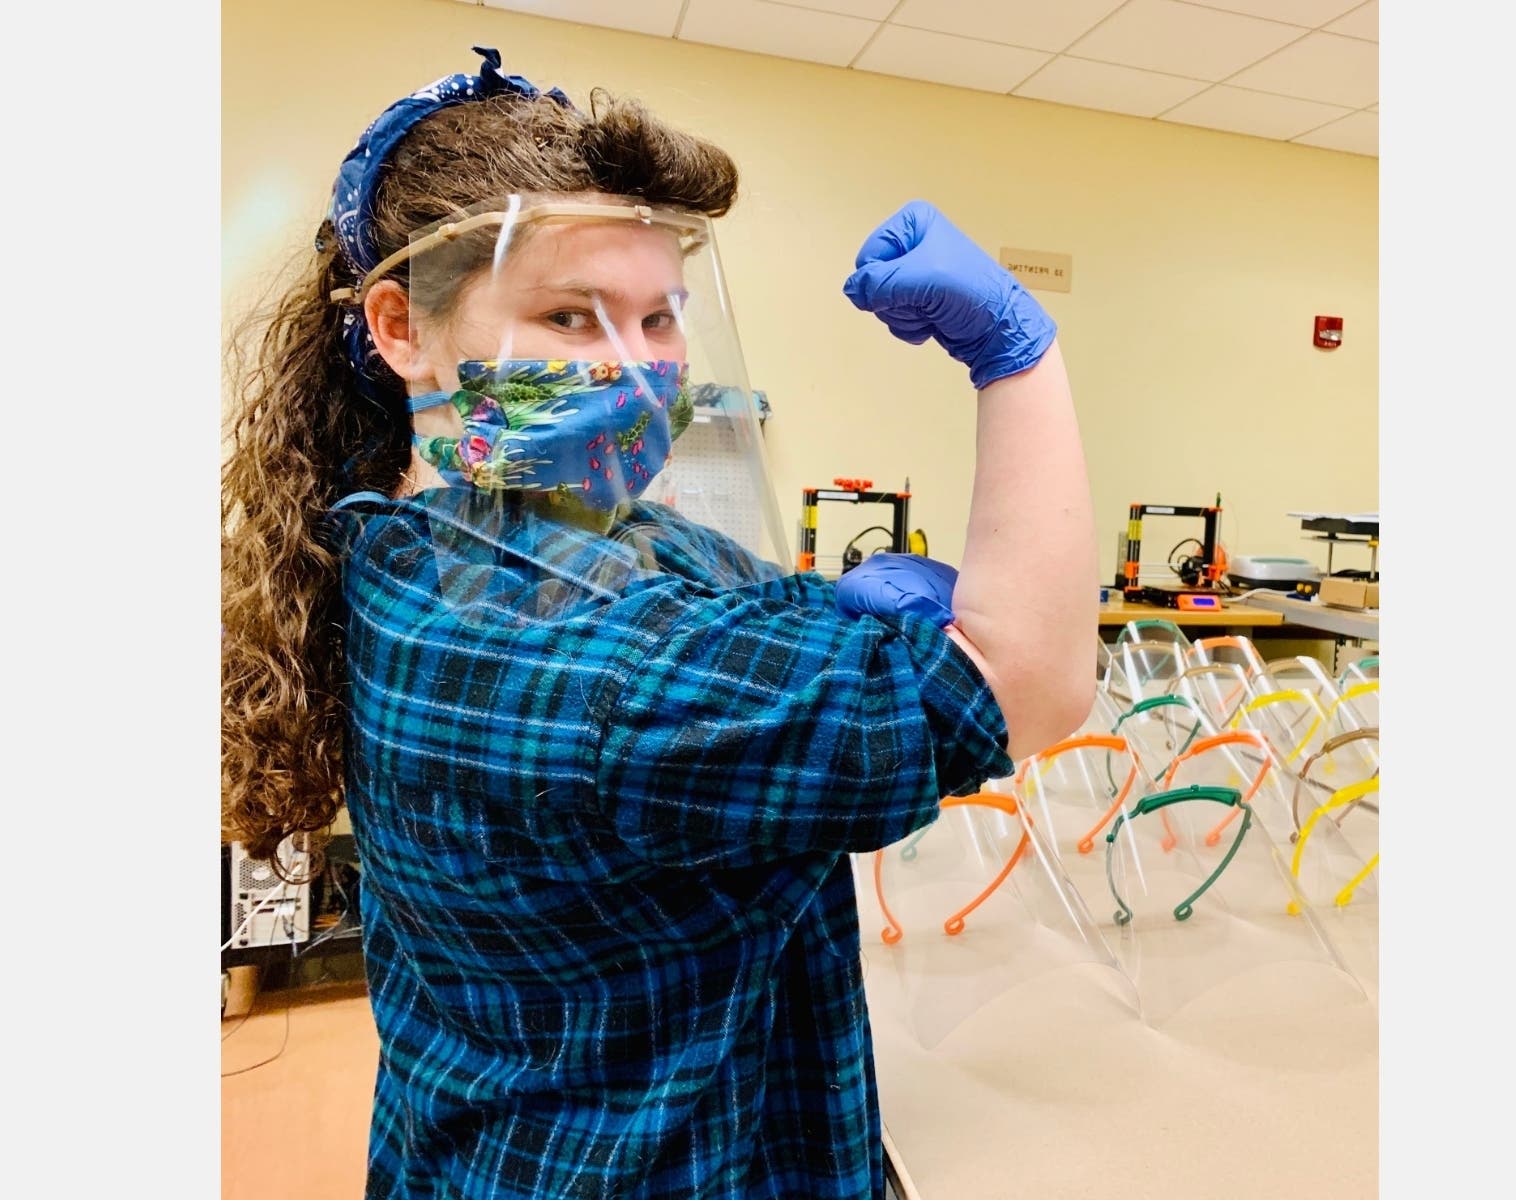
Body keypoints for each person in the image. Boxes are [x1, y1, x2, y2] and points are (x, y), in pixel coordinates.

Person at [221, 45, 1097, 1200]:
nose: (639, 377)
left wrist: (826, 607)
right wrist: (1017, 359)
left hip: (489, 1133)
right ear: (398, 328)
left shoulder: (424, 527)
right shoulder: (585, 654)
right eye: (570, 318)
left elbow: (701, 583)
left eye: (662, 317)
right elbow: (1026, 687)